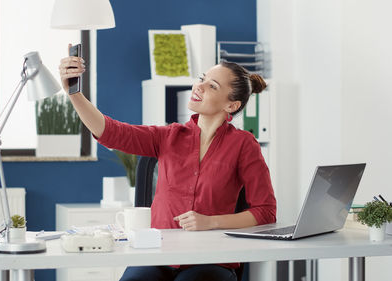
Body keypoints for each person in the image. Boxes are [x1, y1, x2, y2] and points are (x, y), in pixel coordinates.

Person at [59, 44, 277, 281]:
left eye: (212, 86)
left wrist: (210, 222)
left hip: (210, 259)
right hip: (157, 254)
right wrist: (75, 94)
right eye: (202, 79)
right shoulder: (168, 136)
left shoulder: (244, 144)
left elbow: (265, 212)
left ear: (231, 105)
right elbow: (112, 132)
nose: (199, 87)